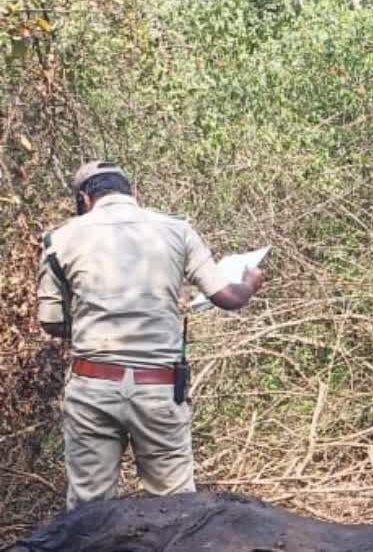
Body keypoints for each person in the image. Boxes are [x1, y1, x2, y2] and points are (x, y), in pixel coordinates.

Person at [37, 161, 265, 509]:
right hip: (158, 388)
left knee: (88, 510)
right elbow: (229, 299)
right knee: (176, 509)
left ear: (85, 198)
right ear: (134, 193)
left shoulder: (60, 238)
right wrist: (250, 282)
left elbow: (51, 322)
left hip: (92, 387)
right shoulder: (178, 230)